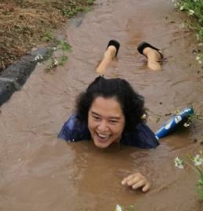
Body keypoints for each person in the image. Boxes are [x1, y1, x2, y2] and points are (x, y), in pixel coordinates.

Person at [58, 40, 165, 192]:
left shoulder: (141, 135)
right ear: (86, 112)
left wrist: (146, 177)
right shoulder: (75, 126)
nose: (102, 128)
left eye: (113, 120)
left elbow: (155, 164)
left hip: (142, 81)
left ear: (127, 120)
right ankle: (109, 53)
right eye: (95, 117)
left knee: (154, 72)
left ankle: (151, 54)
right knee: (99, 74)